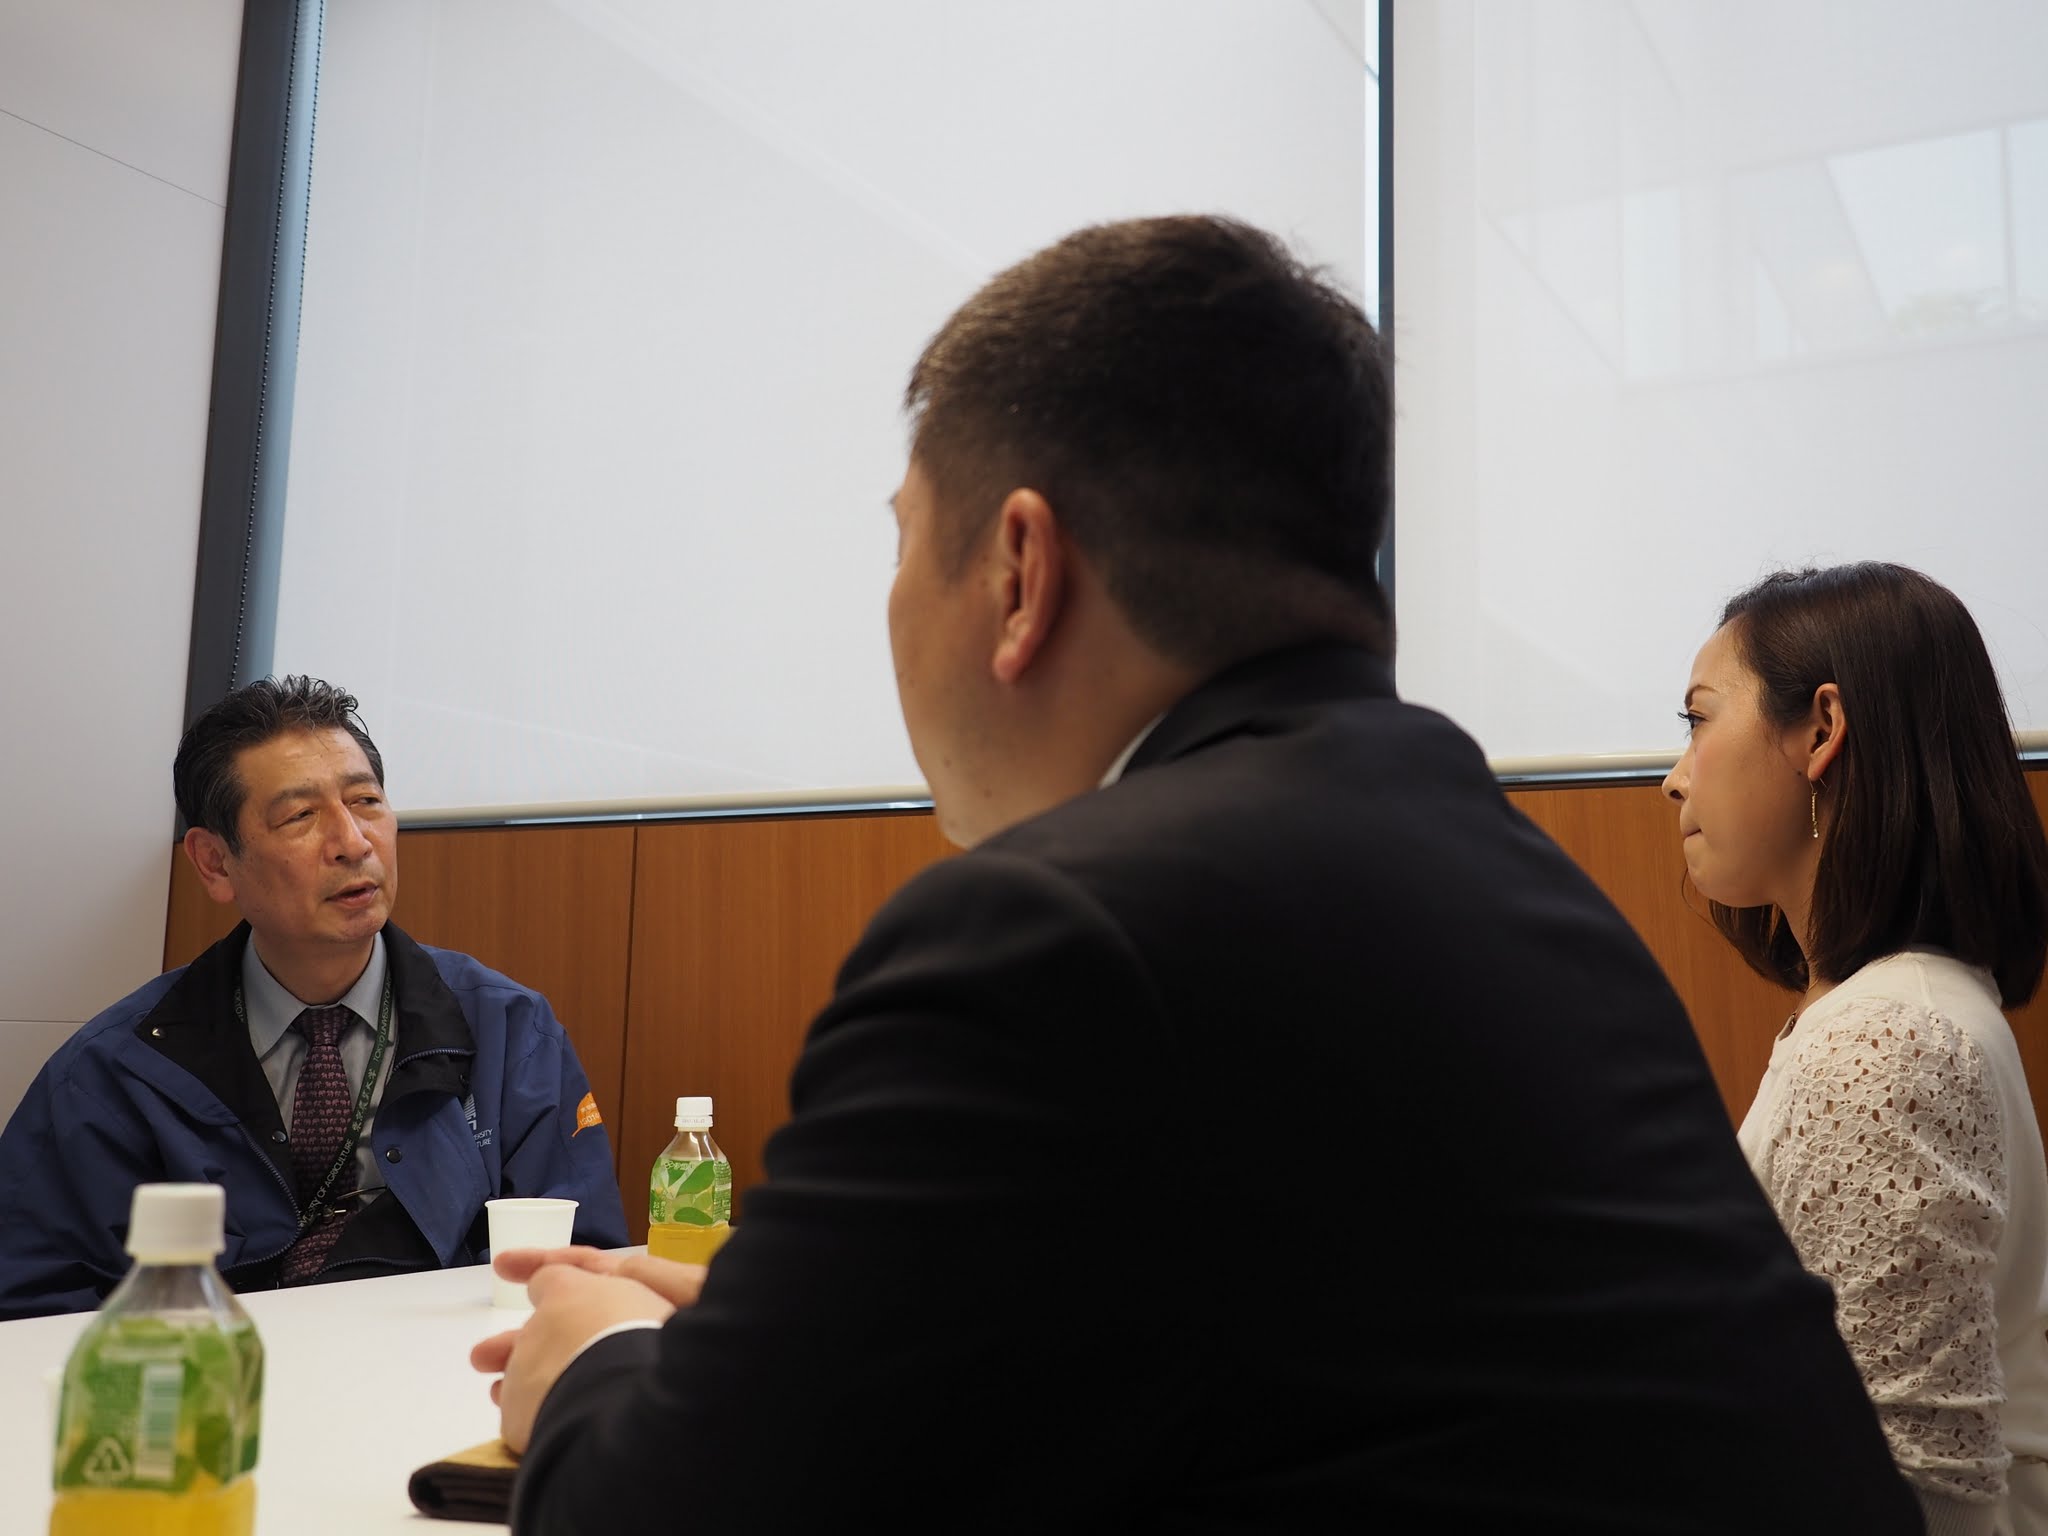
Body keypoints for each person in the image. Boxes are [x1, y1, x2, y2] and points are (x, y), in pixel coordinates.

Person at [476, 216, 1918, 1532]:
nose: (892, 600)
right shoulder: (1505, 879)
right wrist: (808, 1330)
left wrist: (596, 1362)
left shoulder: (1049, 928)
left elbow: (663, 1514)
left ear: (1019, 572)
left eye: (906, 541)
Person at [0, 677, 627, 1319]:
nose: (353, 842)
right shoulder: (116, 1071)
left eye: (366, 801)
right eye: (300, 816)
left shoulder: (508, 1029)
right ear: (215, 863)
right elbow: (29, 1303)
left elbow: (584, 1263)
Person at [1663, 562, 2048, 1536]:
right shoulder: (1900, 1008)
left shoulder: (1889, 1041)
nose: (1674, 777)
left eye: (1697, 721)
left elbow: (1914, 1492)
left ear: (1820, 730)